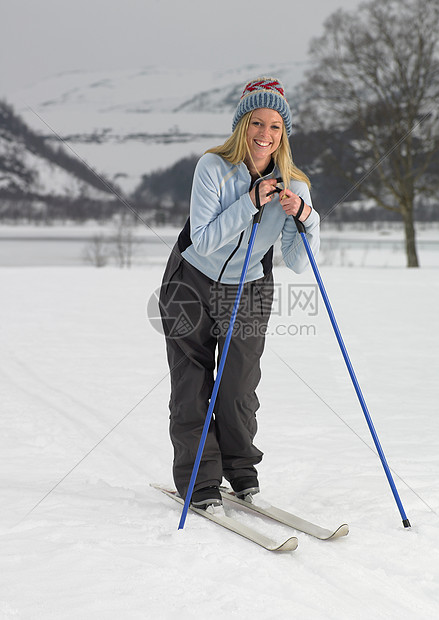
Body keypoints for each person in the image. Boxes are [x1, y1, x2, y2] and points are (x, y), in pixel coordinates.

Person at [158, 76, 320, 509]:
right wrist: (250, 200)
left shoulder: (294, 185)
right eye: (257, 122)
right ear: (241, 124)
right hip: (189, 282)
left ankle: (242, 473)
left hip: (248, 288)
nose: (265, 134)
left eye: (275, 126)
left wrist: (306, 217)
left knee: (238, 388)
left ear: (283, 134)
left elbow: (301, 261)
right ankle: (201, 482)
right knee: (192, 385)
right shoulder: (212, 168)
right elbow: (204, 240)